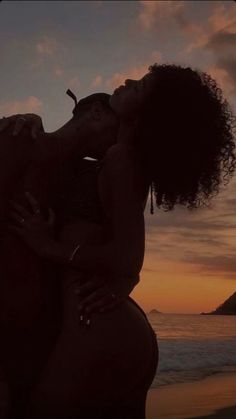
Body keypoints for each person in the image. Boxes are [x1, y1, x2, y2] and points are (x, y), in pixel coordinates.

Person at [3, 63, 236, 418]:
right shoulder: (96, 163)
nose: (127, 82)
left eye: (139, 86)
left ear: (149, 116)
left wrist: (49, 246)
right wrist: (30, 121)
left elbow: (128, 259)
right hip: (105, 322)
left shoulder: (121, 159)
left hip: (91, 323)